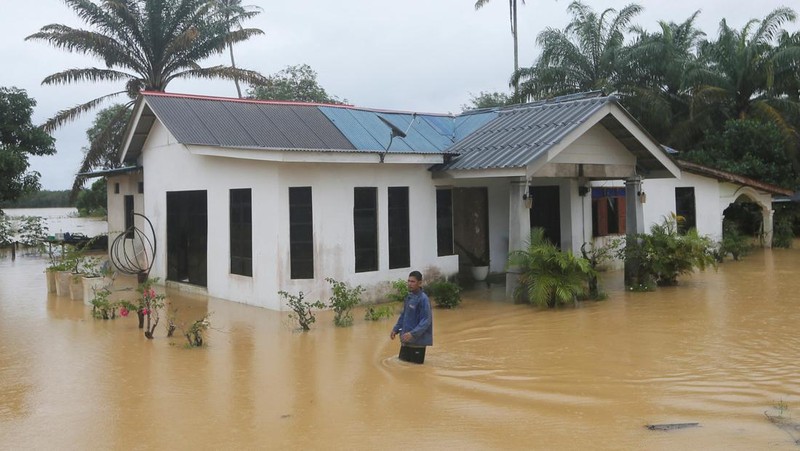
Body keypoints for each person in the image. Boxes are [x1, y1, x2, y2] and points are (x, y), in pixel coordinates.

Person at [390, 270, 433, 364]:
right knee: (402, 366)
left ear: (420, 283)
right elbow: (403, 315)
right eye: (408, 281)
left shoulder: (423, 299)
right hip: (406, 340)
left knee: (416, 371)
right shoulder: (409, 297)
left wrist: (412, 334)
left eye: (413, 281)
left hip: (418, 342)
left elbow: (426, 320)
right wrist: (395, 329)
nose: (409, 284)